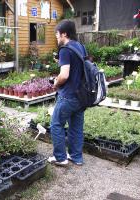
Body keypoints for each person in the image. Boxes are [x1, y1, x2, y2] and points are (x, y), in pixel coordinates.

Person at [47, 20, 86, 166]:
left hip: (68, 95)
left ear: (64, 34)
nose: (57, 38)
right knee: (76, 127)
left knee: (56, 124)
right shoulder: (80, 47)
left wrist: (56, 83)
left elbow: (64, 75)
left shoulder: (65, 49)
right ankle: (76, 157)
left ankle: (60, 157)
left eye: (57, 34)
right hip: (81, 96)